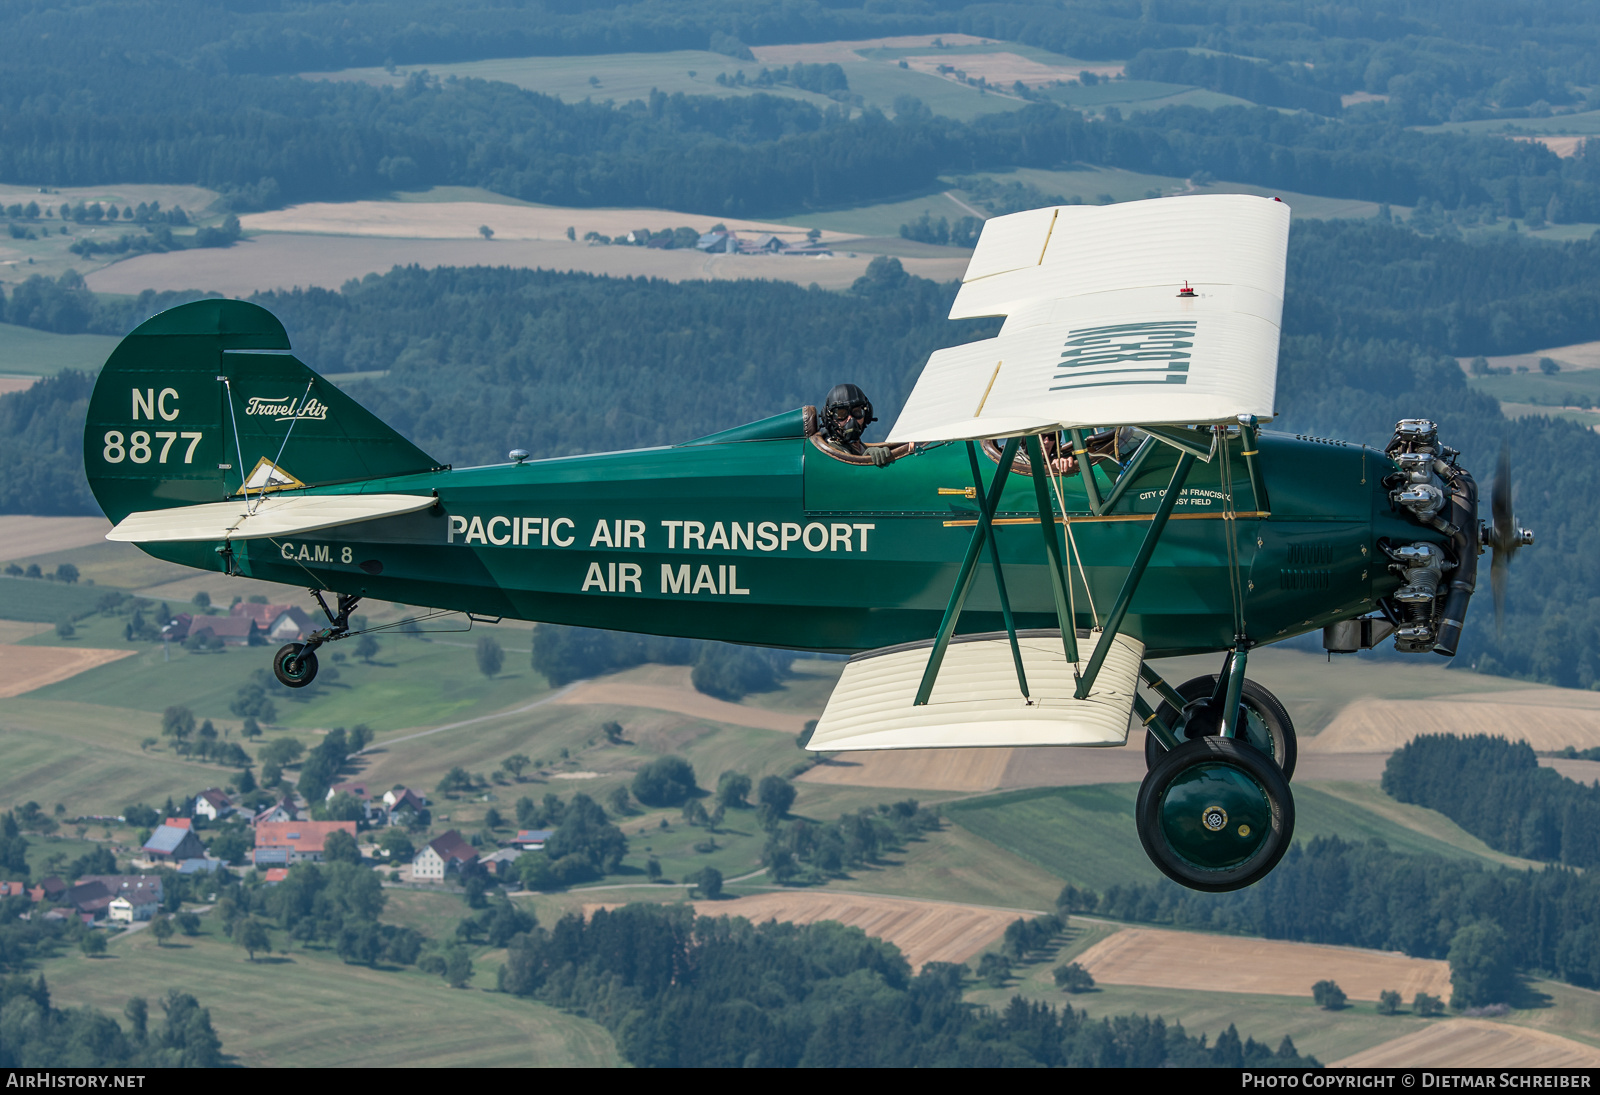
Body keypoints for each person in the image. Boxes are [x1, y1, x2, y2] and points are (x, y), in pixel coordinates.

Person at [819, 383, 895, 466]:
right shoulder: (830, 453)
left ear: (867, 415)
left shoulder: (859, 448)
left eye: (857, 412)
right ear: (830, 418)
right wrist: (866, 460)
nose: (851, 419)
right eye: (841, 414)